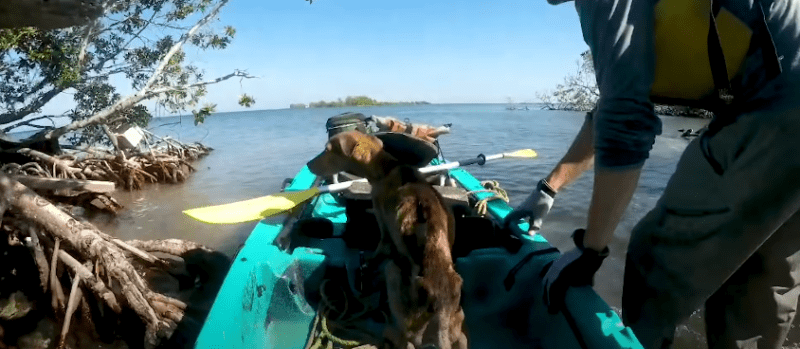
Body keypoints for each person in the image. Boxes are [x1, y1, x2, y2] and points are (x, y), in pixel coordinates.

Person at [504, 0, 800, 347]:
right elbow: (613, 108)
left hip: (778, 103)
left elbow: (626, 120)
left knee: (653, 264)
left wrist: (591, 252)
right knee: (756, 281)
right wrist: (548, 189)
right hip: (779, 97)